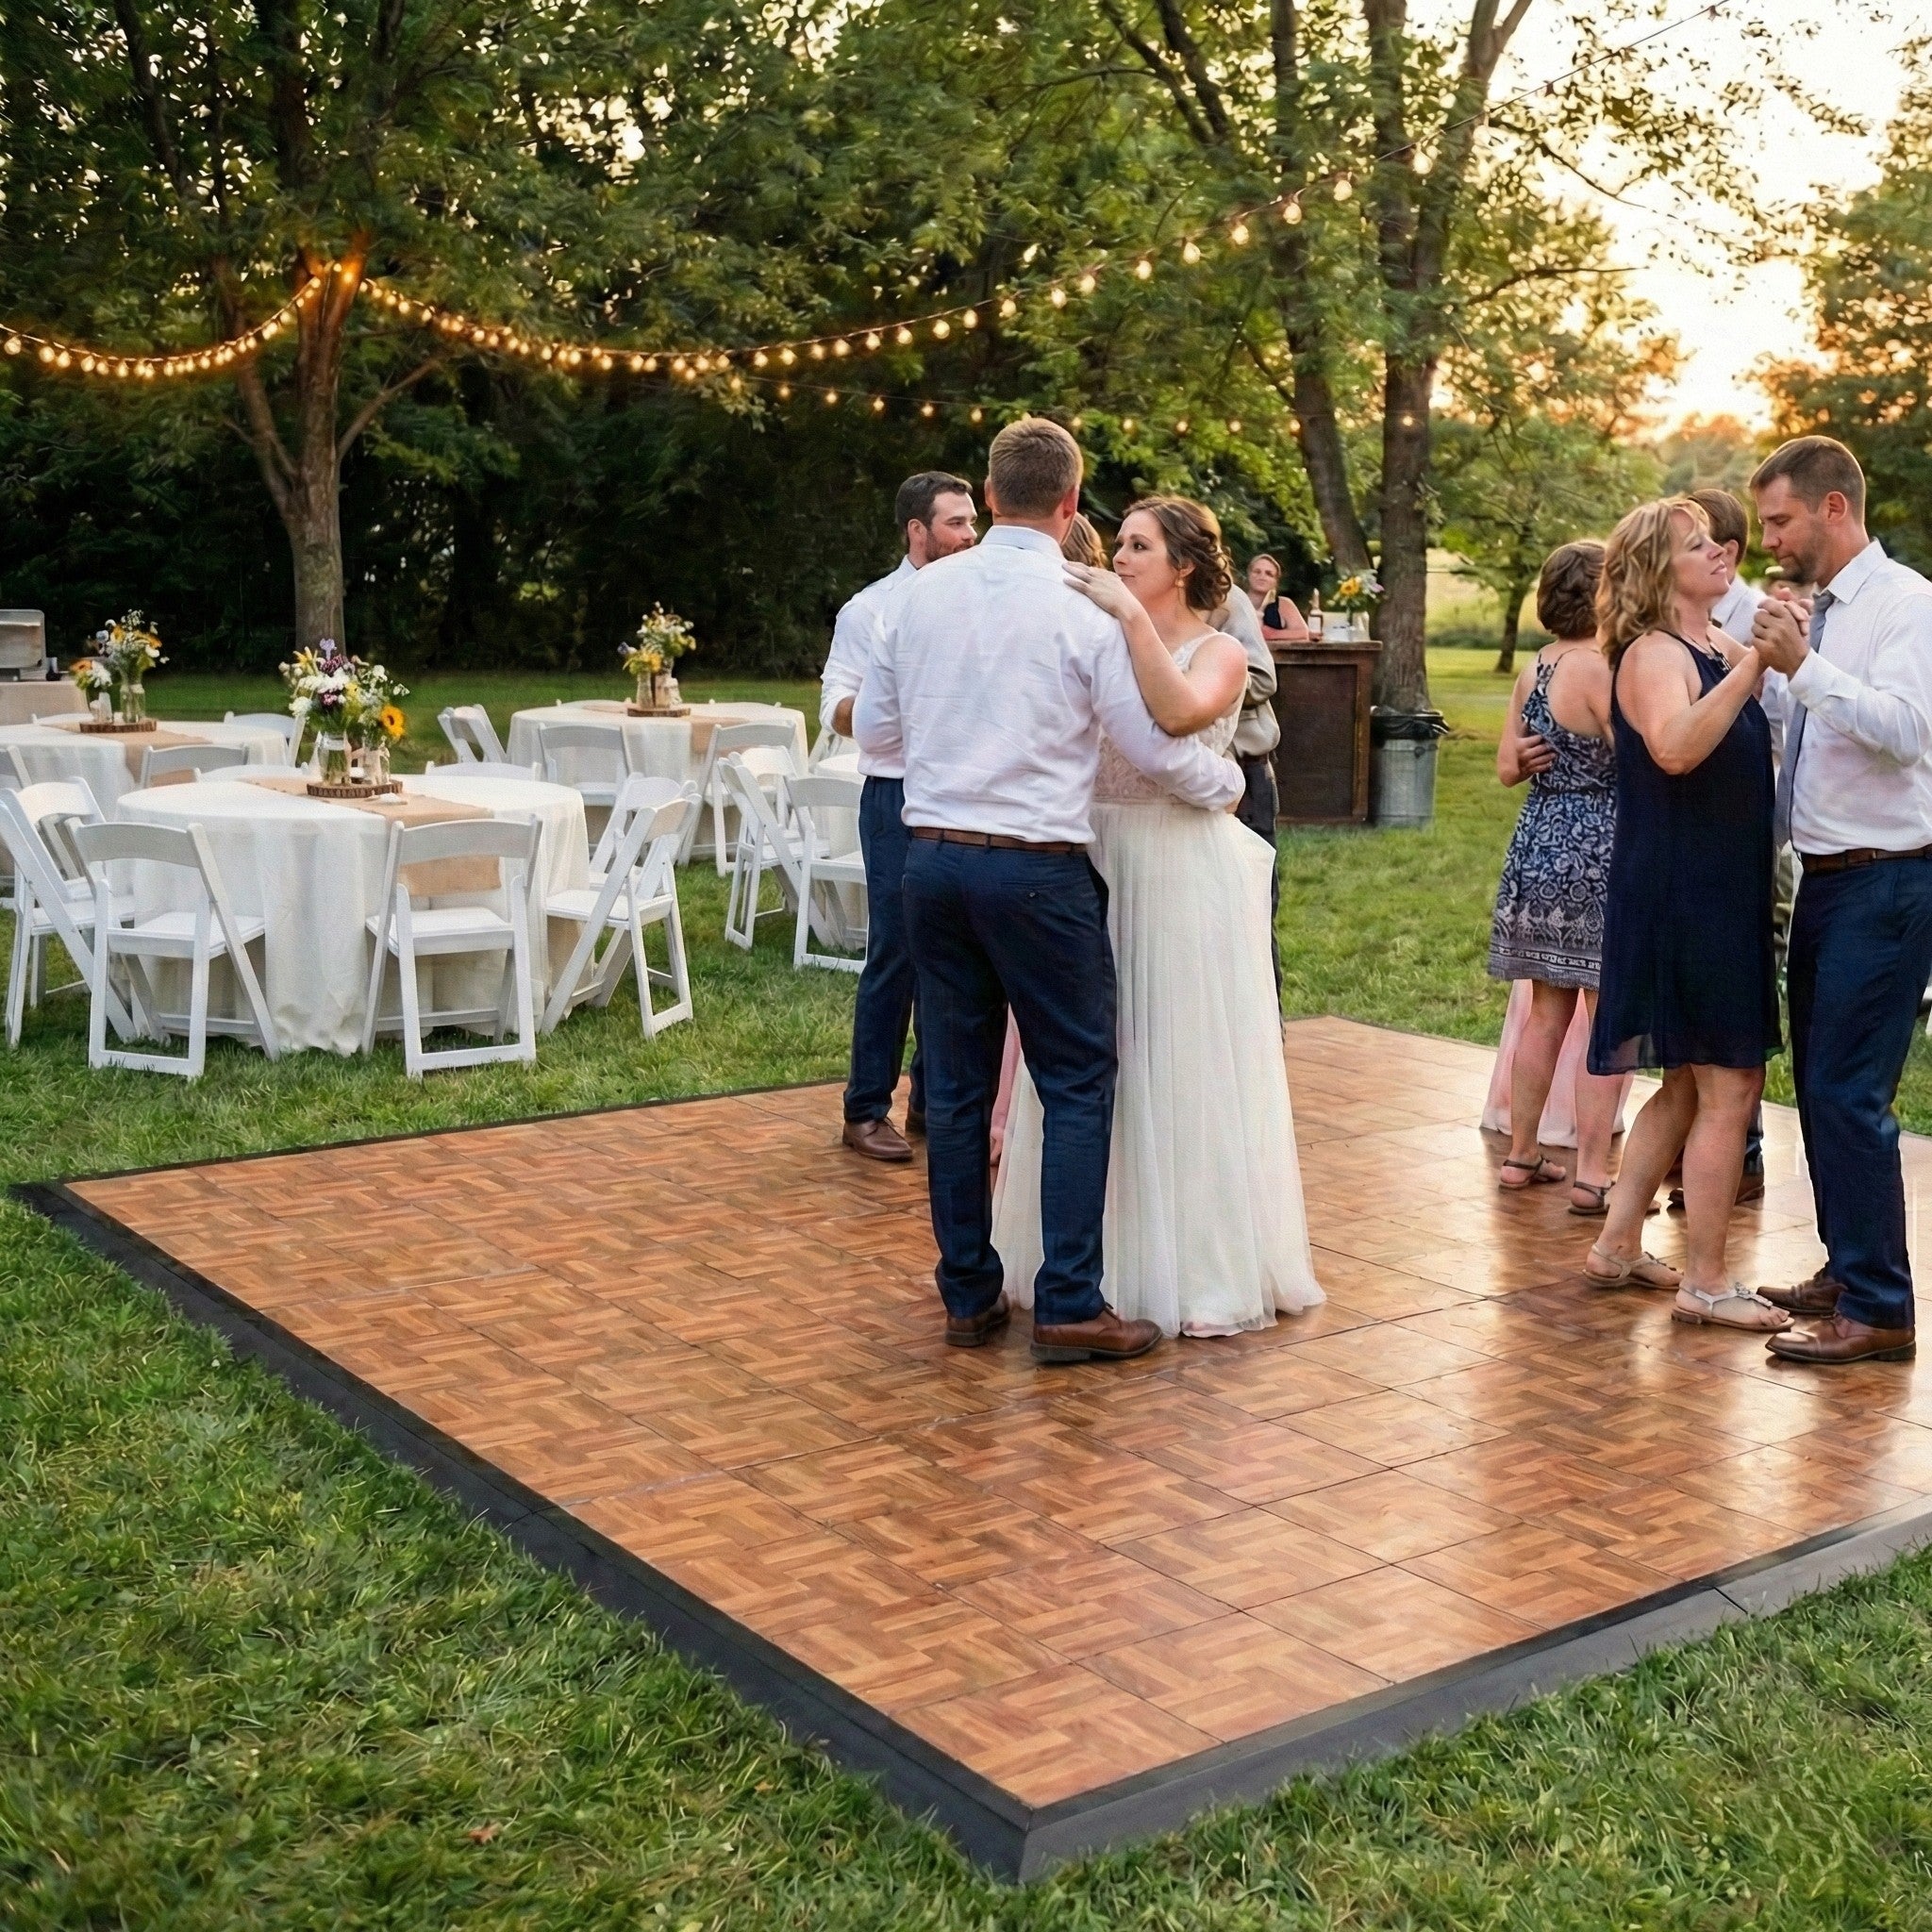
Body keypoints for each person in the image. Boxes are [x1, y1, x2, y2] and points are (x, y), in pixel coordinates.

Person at [856, 419, 1243, 1364]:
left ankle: (967, 1293)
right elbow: (1152, 745)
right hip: (1035, 869)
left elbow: (874, 728)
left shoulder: (913, 597)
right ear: (1070, 504)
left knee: (952, 1085)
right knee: (1074, 1076)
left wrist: (956, 755)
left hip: (933, 861)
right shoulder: (1082, 608)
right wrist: (1222, 786)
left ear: (987, 496)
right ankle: (1069, 1301)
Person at [993, 495, 1324, 1337]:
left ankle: (1191, 1267)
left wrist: (1129, 620)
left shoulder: (1217, 651)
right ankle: (1078, 1259)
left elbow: (1181, 715)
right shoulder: (1094, 636)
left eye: (1139, 547)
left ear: (1181, 565)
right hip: (1089, 858)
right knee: (1089, 1066)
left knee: (1173, 1056)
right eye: (1123, 546)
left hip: (1177, 869)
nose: (1121, 557)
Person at [1749, 436, 1932, 1365]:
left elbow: (1905, 731)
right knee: (1819, 1089)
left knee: (1845, 1090)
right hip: (1822, 878)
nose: (1767, 539)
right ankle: (1845, 1265)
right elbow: (1814, 730)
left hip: (1887, 879)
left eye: (1778, 520)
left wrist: (1802, 670)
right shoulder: (1814, 610)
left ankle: (1880, 1309)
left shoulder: (1906, 605)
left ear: (1831, 507)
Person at [1584, 497, 1788, 1333]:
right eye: (1694, 543)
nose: (1718, 551)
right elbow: (1673, 748)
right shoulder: (1653, 654)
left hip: (1718, 886)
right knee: (1731, 1081)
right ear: (1653, 569)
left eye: (1714, 539)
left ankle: (1616, 1244)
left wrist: (1771, 649)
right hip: (1683, 892)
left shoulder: (1715, 644)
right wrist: (1752, 672)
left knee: (1686, 1079)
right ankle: (1706, 1281)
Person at [820, 472, 978, 1163]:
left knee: (957, 954)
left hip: (965, 792)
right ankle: (865, 1108)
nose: (969, 535)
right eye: (955, 524)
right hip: (895, 797)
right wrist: (900, 710)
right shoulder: (870, 610)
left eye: (972, 522)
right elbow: (836, 709)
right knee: (897, 951)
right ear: (917, 531)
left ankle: (932, 1100)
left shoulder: (981, 600)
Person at [1486, 541, 1623, 1217]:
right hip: (1599, 847)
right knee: (1604, 1018)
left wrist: (1542, 759)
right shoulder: (1602, 668)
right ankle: (1594, 1173)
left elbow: (1507, 768)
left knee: (1546, 1011)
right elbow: (1639, 761)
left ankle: (1522, 1153)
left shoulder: (1536, 667)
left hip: (1540, 841)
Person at [1211, 575, 1285, 994]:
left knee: (1252, 914)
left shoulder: (1226, 598)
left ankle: (1268, 1036)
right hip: (1186, 784)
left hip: (1245, 774)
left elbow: (1261, 677)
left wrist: (1187, 680)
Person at [1246, 554, 1313, 642]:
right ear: (1249, 575)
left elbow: (1304, 633)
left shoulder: (1283, 604)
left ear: (1276, 581)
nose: (1262, 577)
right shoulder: (1235, 602)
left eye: (1269, 574)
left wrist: (1274, 634)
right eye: (1257, 572)